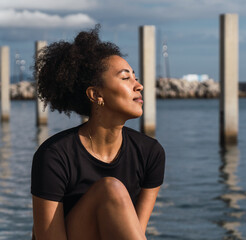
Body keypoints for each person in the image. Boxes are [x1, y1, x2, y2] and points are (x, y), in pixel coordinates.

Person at [31, 25, 165, 240]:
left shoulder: (150, 153)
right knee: (110, 189)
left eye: (135, 77)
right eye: (125, 78)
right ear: (96, 94)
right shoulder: (54, 155)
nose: (138, 85)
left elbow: (135, 233)